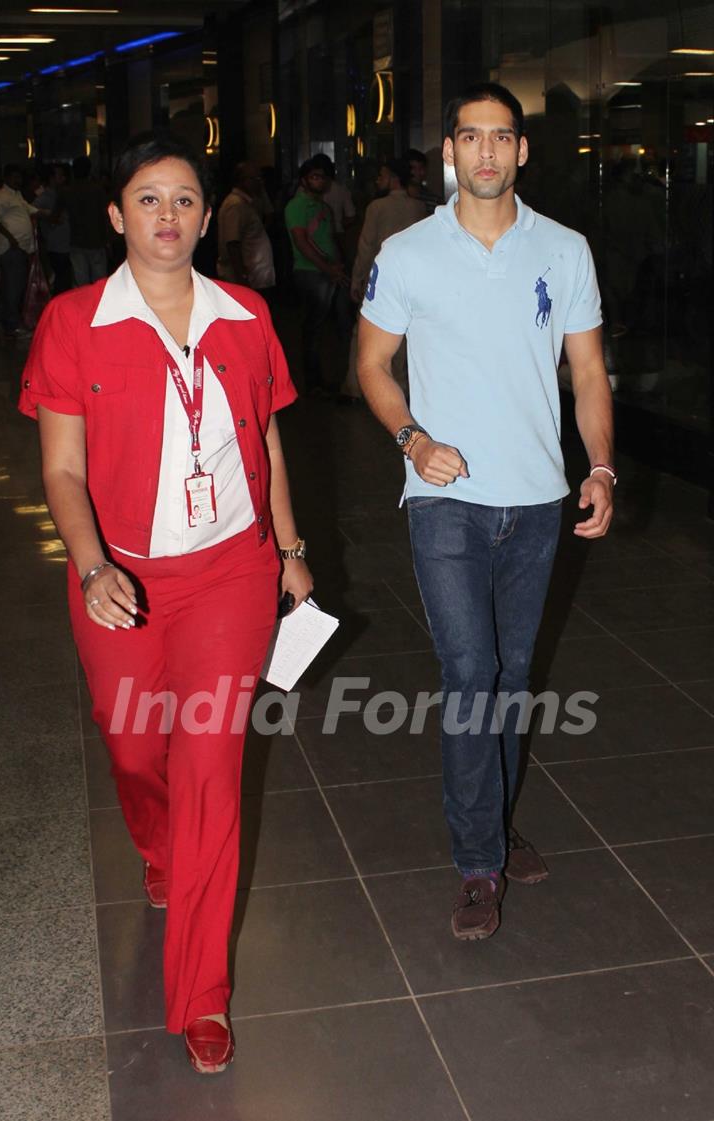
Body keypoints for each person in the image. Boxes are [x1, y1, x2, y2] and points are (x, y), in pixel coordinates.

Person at [19, 132, 312, 1073]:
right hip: (124, 580)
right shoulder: (73, 322)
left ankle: (201, 995)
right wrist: (94, 564)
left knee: (211, 770)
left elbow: (264, 442)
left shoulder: (246, 316)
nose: (169, 216)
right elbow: (61, 466)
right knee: (133, 741)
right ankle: (154, 839)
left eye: (184, 198)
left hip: (231, 573)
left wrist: (291, 550)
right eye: (149, 199)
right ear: (116, 215)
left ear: (207, 212)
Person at [358, 83, 614, 942]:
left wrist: (601, 466)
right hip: (444, 502)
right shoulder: (408, 251)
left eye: (502, 137)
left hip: (537, 500)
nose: (488, 153)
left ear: (522, 151)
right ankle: (477, 861)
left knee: (509, 676)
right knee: (471, 675)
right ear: (450, 152)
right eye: (472, 137)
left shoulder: (566, 250)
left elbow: (586, 373)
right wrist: (412, 439)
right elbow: (371, 366)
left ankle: (494, 827)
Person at [343, 157, 426, 401]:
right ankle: (399, 385)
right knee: (403, 337)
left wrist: (357, 279)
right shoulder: (417, 207)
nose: (378, 180)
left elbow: (367, 246)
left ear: (392, 177)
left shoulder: (376, 207)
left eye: (382, 175)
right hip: (411, 280)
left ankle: (358, 388)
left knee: (364, 335)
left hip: (379, 280)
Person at [284, 158, 348, 395]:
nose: (320, 181)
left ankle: (321, 379)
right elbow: (301, 242)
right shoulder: (298, 206)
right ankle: (313, 382)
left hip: (326, 271)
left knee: (322, 328)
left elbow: (327, 239)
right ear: (304, 180)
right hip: (311, 273)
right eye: (315, 177)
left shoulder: (322, 207)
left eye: (323, 177)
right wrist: (328, 267)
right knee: (313, 329)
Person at [216, 160, 275, 297]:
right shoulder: (236, 205)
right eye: (255, 178)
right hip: (244, 279)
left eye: (261, 178)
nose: (260, 182)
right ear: (242, 181)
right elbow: (232, 243)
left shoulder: (249, 202)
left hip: (254, 275)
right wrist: (241, 277)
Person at [0, 164, 39, 339]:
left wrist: (44, 213)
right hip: (10, 248)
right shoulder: (1, 196)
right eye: (14, 177)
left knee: (15, 286)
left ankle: (9, 321)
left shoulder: (16, 195)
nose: (17, 180)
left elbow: (29, 209)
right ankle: (11, 325)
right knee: (12, 287)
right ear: (6, 178)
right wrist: (11, 238)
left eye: (19, 177)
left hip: (20, 248)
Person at [61, 155, 109, 286]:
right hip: (96, 240)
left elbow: (58, 215)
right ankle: (99, 306)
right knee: (100, 282)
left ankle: (83, 306)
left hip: (76, 240)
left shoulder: (67, 191)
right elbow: (106, 215)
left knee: (80, 281)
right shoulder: (97, 190)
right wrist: (107, 238)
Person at [35, 164, 73, 296]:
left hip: (66, 243)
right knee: (61, 280)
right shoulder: (45, 197)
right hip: (55, 244)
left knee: (65, 279)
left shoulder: (64, 193)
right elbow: (32, 211)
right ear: (51, 178)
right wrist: (49, 215)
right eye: (59, 176)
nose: (62, 178)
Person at [403, 147, 442, 215]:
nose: (418, 173)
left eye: (421, 168)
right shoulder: (397, 199)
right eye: (413, 168)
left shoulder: (434, 200)